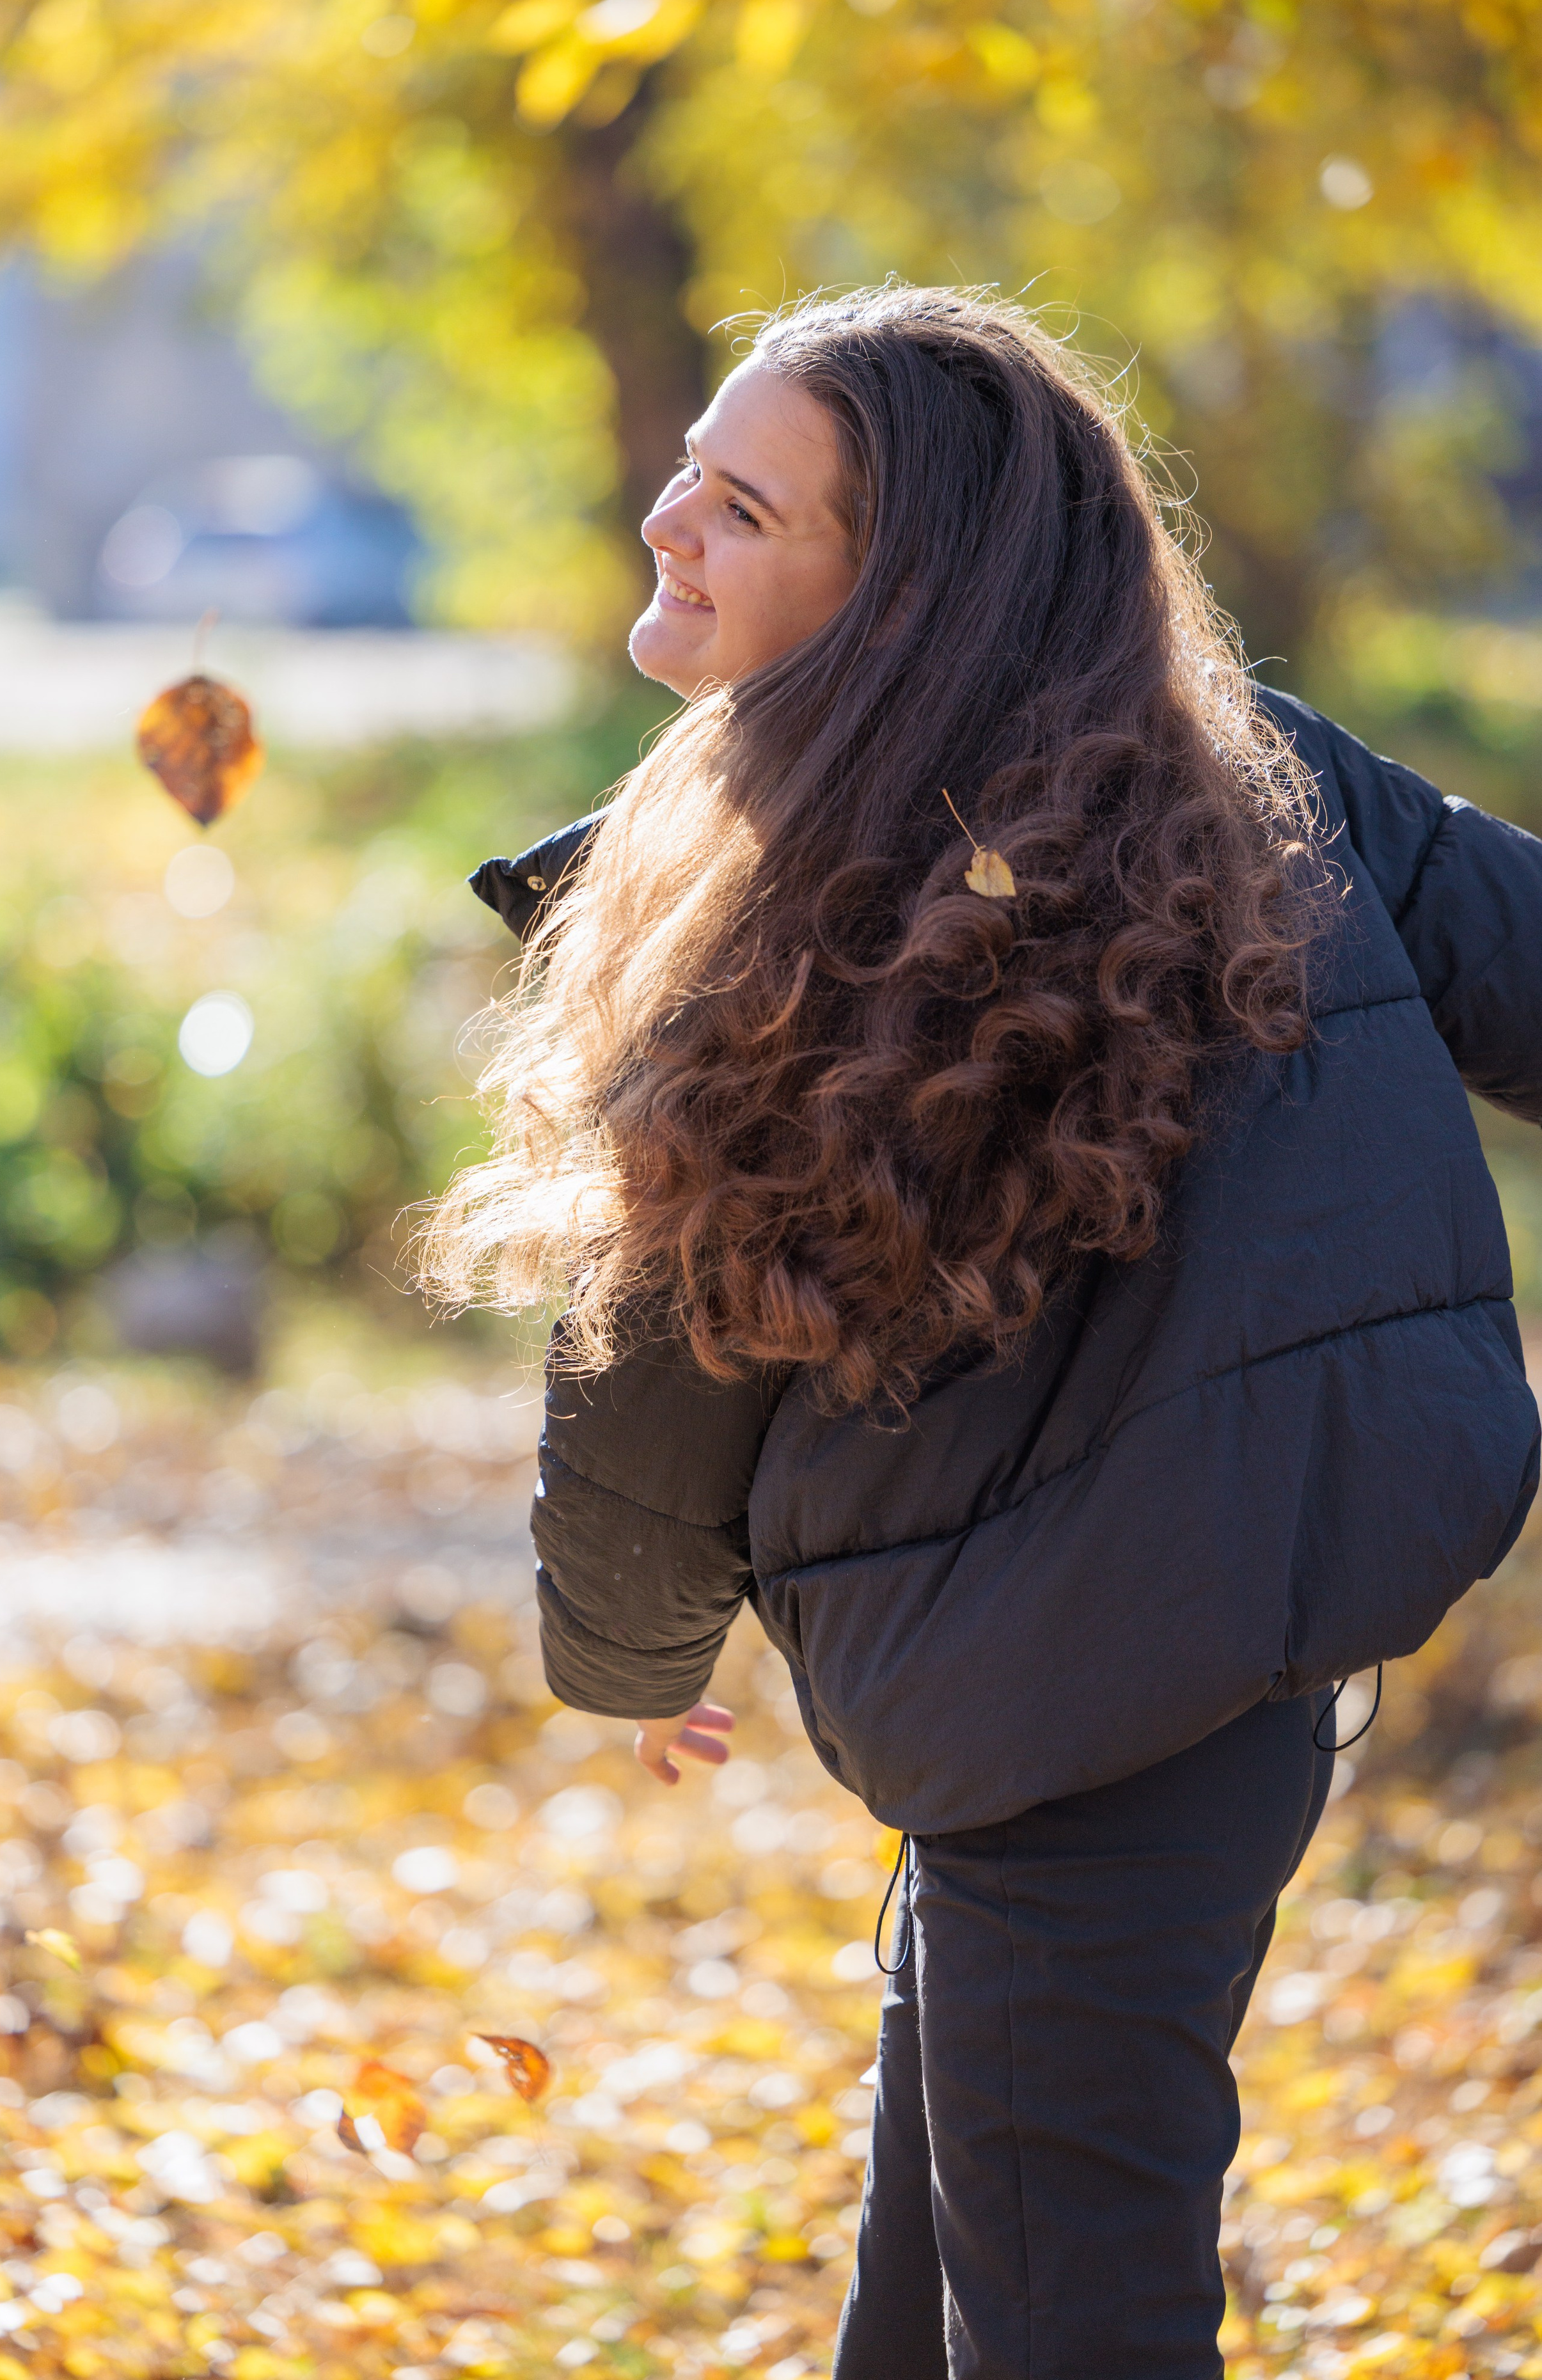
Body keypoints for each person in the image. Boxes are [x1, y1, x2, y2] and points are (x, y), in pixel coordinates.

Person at [427, 286, 1542, 2378]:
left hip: (1073, 1705)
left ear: (903, 590)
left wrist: (633, 1659)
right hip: (1185, 1668)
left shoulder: (791, 906)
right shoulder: (1250, 769)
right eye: (695, 462)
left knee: (1062, 2306)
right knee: (944, 2280)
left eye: (743, 504)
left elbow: (658, 1373)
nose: (670, 519)